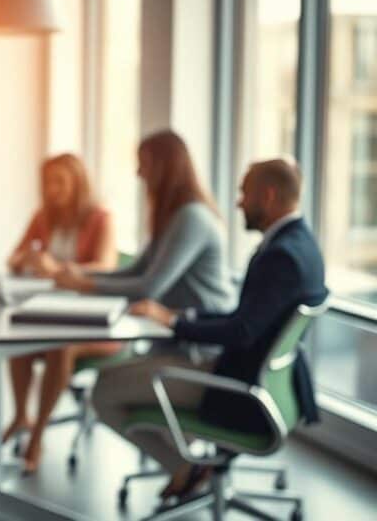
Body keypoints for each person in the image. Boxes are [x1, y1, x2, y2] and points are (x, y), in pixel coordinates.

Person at [95, 158, 327, 501]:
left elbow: (241, 331)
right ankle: (190, 462)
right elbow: (246, 320)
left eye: (244, 193)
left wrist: (174, 323)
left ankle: (184, 467)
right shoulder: (303, 245)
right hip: (270, 385)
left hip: (237, 389)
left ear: (269, 195)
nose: (238, 202)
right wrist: (183, 316)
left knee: (103, 391)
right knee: (141, 376)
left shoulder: (281, 256)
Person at [0, 154, 119, 474]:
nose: (52, 190)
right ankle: (20, 416)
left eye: (60, 182)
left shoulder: (100, 218)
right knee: (17, 341)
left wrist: (60, 269)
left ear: (77, 184)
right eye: (47, 183)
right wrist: (27, 259)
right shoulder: (43, 217)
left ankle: (37, 435)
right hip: (49, 310)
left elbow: (106, 267)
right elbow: (15, 255)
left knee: (61, 346)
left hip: (92, 322)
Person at [54, 130, 236, 314]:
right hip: (175, 322)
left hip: (203, 327)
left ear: (164, 168)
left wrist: (83, 283)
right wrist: (82, 274)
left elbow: (149, 288)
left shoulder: (191, 217)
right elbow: (136, 271)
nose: (138, 173)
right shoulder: (173, 216)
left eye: (144, 164)